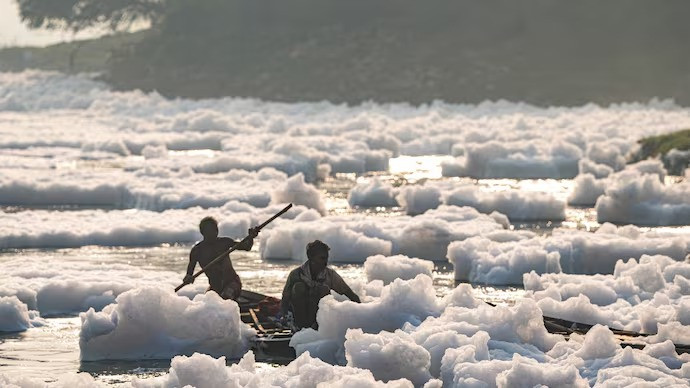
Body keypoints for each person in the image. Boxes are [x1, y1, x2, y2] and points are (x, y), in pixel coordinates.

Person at [280, 240, 360, 329]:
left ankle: (316, 327)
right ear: (311, 258)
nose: (326, 262)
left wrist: (363, 312)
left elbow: (350, 294)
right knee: (299, 287)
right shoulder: (296, 274)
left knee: (323, 289)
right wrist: (284, 316)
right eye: (322, 258)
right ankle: (301, 328)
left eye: (326, 258)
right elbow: (285, 300)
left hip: (318, 322)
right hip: (298, 319)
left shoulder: (330, 275)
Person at [183, 216, 258, 300]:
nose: (214, 233)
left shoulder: (224, 242)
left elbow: (246, 247)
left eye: (215, 230)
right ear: (203, 233)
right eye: (210, 231)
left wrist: (251, 237)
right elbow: (189, 274)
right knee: (206, 304)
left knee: (225, 298)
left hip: (232, 283)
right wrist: (188, 278)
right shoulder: (197, 251)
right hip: (215, 288)